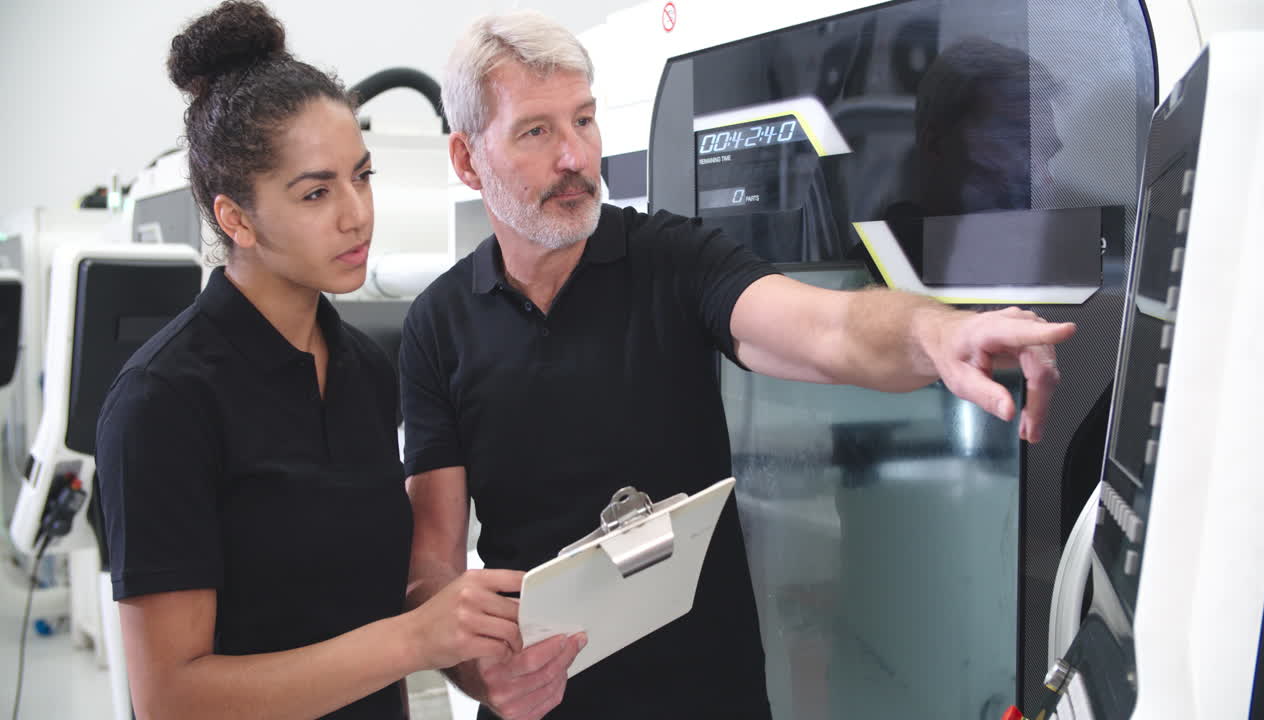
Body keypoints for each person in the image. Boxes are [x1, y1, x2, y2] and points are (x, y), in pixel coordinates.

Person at [399, 11, 1075, 720]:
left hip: (705, 691)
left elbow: (829, 328)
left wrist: (938, 332)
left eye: (585, 120)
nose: (575, 156)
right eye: (537, 132)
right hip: (540, 703)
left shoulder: (671, 261)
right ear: (468, 160)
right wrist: (479, 677)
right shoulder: (439, 324)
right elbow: (431, 566)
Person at [94, 3, 523, 718]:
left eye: (363, 175)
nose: (357, 213)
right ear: (236, 219)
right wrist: (413, 641)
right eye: (317, 192)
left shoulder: (361, 367)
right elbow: (172, 697)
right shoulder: (162, 403)